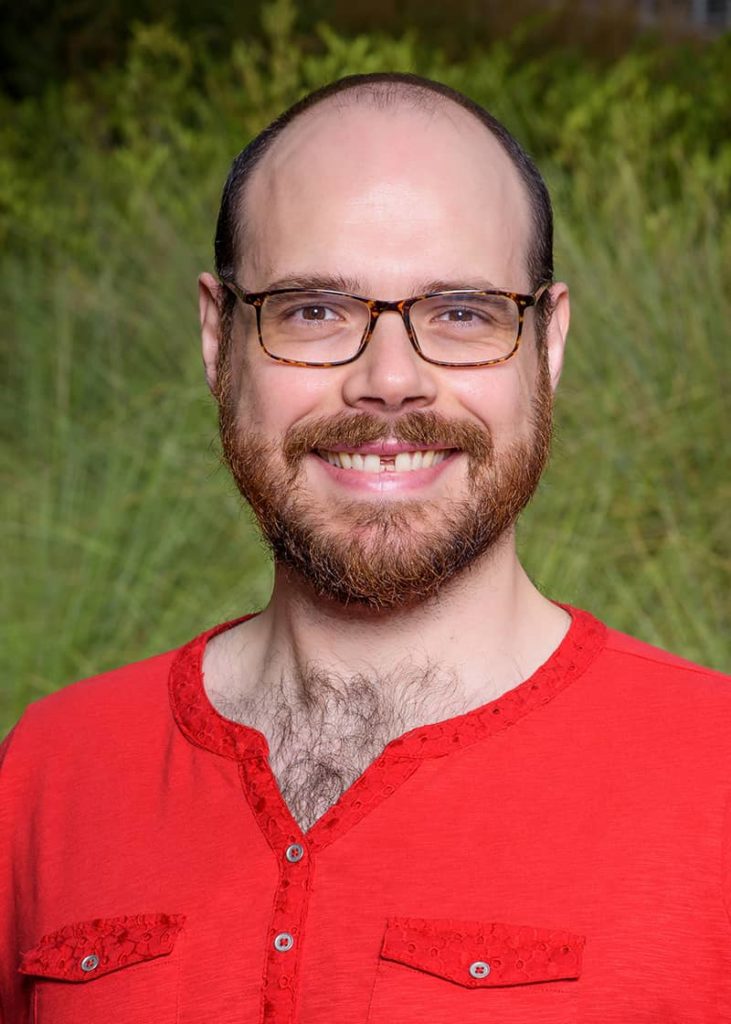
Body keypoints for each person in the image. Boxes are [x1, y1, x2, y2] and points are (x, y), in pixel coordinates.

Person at [1, 71, 729, 1024]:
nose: (390, 381)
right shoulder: (49, 773)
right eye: (314, 311)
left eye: (462, 312)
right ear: (219, 339)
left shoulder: (711, 781)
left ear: (546, 342)